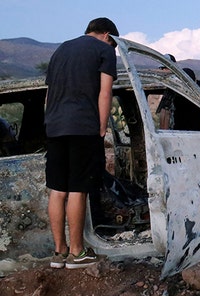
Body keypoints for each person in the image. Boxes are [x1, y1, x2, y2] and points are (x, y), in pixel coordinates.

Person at [44, 17, 119, 269]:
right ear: (107, 35)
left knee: (57, 190)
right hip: (83, 126)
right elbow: (105, 92)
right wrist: (101, 126)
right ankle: (77, 253)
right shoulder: (104, 50)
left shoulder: (61, 49)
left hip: (55, 126)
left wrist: (51, 122)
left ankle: (59, 252)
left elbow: (49, 93)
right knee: (78, 189)